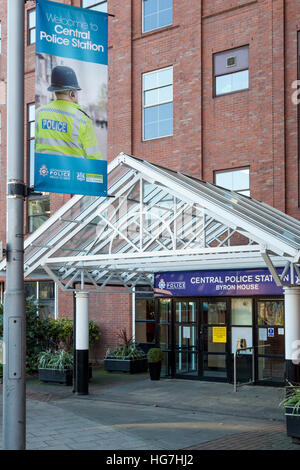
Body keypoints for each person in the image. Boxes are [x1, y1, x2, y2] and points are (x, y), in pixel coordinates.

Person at [35, 65, 103, 160]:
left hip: (44, 170)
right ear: (72, 93)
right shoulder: (82, 119)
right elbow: (94, 157)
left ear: (54, 90)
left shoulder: (39, 113)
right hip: (73, 172)